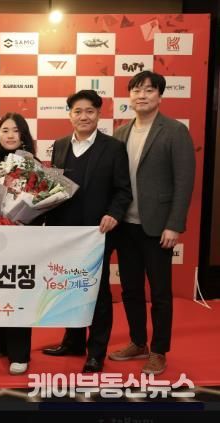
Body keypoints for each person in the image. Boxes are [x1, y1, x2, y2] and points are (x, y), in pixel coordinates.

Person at [109, 71, 195, 375]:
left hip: (158, 227)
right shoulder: (120, 133)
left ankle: (159, 350)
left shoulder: (174, 131)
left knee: (159, 293)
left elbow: (184, 181)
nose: (142, 95)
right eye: (136, 90)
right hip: (125, 226)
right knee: (130, 290)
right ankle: (137, 342)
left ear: (160, 96)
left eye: (149, 90)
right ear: (129, 96)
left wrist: (174, 224)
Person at [42, 90, 132, 373]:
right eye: (78, 111)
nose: (84, 116)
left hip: (97, 233)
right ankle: (73, 342)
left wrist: (113, 214)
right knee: (70, 288)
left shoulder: (113, 147)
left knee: (98, 293)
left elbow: (123, 190)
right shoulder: (59, 145)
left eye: (89, 111)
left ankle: (96, 352)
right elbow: (55, 189)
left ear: (98, 114)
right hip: (65, 233)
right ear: (70, 114)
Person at [0, 112, 35, 375]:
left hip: (21, 237)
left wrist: (21, 221)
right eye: (5, 130)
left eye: (15, 130)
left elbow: (39, 202)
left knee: (17, 293)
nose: (10, 135)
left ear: (23, 135)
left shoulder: (32, 165)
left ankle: (20, 353)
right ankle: (1, 344)